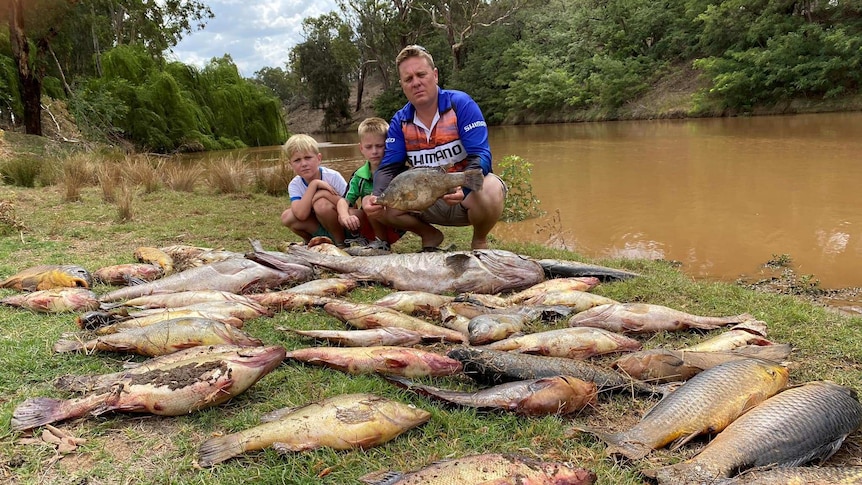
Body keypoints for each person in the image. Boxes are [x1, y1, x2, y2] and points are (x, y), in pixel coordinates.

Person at [361, 45, 506, 251]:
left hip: (463, 197)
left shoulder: (461, 104)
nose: (416, 83)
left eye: (421, 74)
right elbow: (388, 167)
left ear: (435, 75)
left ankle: (479, 240)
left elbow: (481, 154)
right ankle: (429, 234)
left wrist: (463, 188)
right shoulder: (400, 121)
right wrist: (376, 196)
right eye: (408, 79)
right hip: (424, 200)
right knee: (385, 203)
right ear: (402, 85)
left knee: (491, 188)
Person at [336, 117, 402, 252]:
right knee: (347, 211)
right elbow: (344, 201)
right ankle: (370, 240)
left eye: (379, 146)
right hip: (372, 222)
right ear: (361, 148)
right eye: (368, 147)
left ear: (388, 145)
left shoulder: (398, 172)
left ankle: (382, 243)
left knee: (368, 200)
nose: (374, 151)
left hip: (396, 223)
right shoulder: (359, 175)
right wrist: (345, 216)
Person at [280, 133, 349, 247]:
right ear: (291, 164)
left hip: (341, 225)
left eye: (308, 157)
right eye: (297, 160)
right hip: (318, 225)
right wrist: (314, 185)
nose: (304, 164)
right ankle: (314, 240)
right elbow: (301, 215)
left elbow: (352, 206)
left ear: (319, 158)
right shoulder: (295, 184)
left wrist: (323, 194)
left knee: (321, 204)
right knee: (287, 216)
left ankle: (341, 242)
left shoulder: (332, 176)